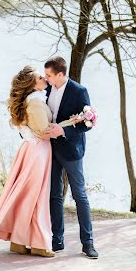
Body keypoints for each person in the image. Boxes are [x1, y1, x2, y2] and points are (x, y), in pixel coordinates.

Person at [0, 65, 55, 257]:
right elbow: (44, 131)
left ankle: (19, 241)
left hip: (31, 150)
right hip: (38, 151)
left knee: (27, 196)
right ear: (33, 84)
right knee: (36, 197)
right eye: (41, 77)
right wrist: (68, 125)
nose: (44, 79)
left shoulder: (31, 101)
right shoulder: (36, 103)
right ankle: (38, 243)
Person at [42, 55, 99, 259]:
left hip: (72, 151)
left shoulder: (79, 91)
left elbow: (87, 123)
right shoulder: (46, 89)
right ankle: (57, 240)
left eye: (49, 75)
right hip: (50, 149)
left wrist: (64, 132)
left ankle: (88, 243)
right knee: (54, 195)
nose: (45, 78)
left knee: (80, 196)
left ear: (60, 74)